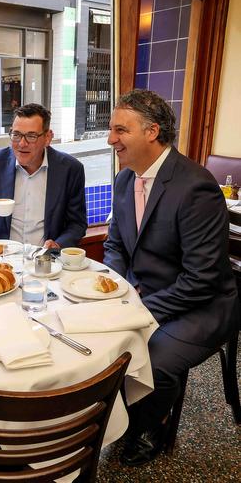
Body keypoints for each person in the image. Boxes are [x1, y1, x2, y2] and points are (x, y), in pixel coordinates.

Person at [103, 89, 239, 466]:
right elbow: (115, 244)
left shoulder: (196, 187)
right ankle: (117, 416)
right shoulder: (124, 180)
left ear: (152, 131)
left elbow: (203, 278)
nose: (111, 139)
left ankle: (151, 428)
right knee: (98, 336)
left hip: (204, 305)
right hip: (150, 292)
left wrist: (138, 309)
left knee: (152, 355)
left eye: (120, 130)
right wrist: (115, 289)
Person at [0, 103, 87, 249]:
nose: (22, 144)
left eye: (31, 136)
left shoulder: (70, 169)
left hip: (45, 261)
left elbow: (77, 224)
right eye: (16, 135)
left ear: (47, 137)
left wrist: (58, 245)